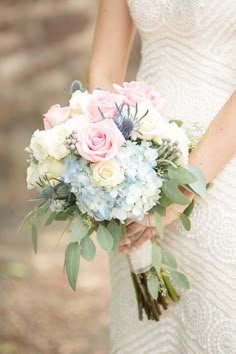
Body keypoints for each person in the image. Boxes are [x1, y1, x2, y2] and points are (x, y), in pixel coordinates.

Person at [88, 1, 236, 353]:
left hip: (223, 159)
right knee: (149, 329)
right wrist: (112, 164)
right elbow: (104, 68)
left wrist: (180, 191)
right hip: (138, 162)